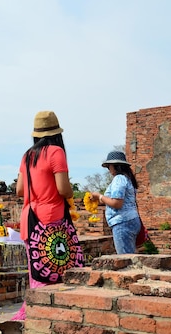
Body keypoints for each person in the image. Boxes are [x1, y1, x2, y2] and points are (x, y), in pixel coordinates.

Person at [11, 110, 76, 321]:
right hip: (51, 219)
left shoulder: (28, 155)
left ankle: (32, 312)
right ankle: (46, 315)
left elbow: (20, 190)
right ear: (56, 133)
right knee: (56, 270)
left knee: (36, 271)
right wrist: (71, 190)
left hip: (30, 220)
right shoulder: (56, 151)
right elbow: (63, 189)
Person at [90, 151, 140, 254]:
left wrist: (99, 196)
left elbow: (117, 203)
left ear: (115, 166)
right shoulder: (127, 178)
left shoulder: (119, 179)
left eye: (109, 167)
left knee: (125, 259)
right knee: (129, 255)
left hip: (122, 221)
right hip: (130, 219)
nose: (109, 170)